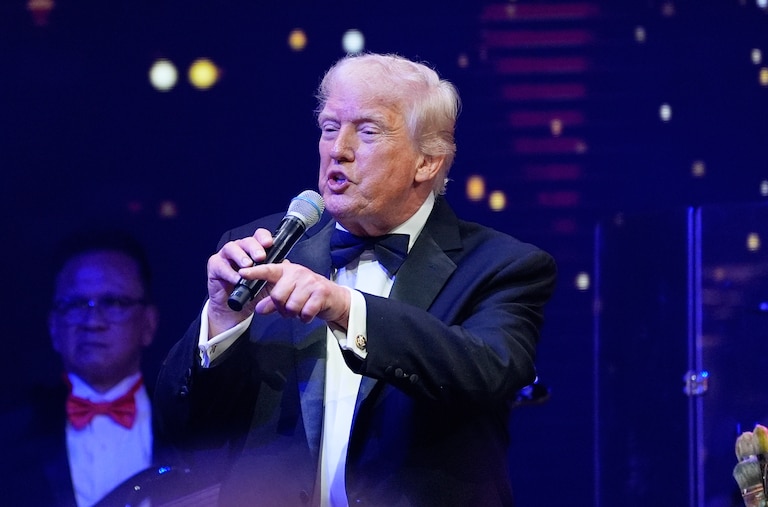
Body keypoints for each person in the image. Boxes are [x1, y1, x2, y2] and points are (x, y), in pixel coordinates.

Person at [155, 52, 557, 507]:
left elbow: (489, 371)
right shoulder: (260, 251)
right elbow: (180, 431)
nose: (337, 149)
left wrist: (348, 308)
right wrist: (222, 321)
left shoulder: (504, 265)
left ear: (426, 162)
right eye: (329, 128)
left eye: (366, 131)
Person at [0, 229, 161, 507]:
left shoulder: (190, 423)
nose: (92, 321)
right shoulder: (8, 439)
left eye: (113, 302)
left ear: (148, 323)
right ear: (53, 326)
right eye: (75, 304)